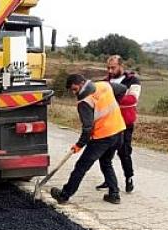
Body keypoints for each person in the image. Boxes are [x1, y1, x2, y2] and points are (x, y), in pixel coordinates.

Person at [50, 74, 127, 205]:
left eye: (75, 89)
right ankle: (114, 194)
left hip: (102, 138)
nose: (74, 93)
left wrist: (79, 145)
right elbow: (123, 88)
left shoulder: (84, 102)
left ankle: (64, 195)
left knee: (81, 166)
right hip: (118, 132)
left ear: (81, 83)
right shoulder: (104, 85)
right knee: (106, 162)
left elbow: (87, 129)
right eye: (72, 91)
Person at [97, 55, 141, 193]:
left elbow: (132, 99)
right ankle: (108, 180)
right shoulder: (105, 81)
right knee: (104, 154)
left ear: (121, 66)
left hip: (125, 122)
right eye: (108, 68)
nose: (110, 71)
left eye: (113, 67)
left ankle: (129, 177)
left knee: (124, 152)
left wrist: (112, 99)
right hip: (109, 122)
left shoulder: (133, 81)